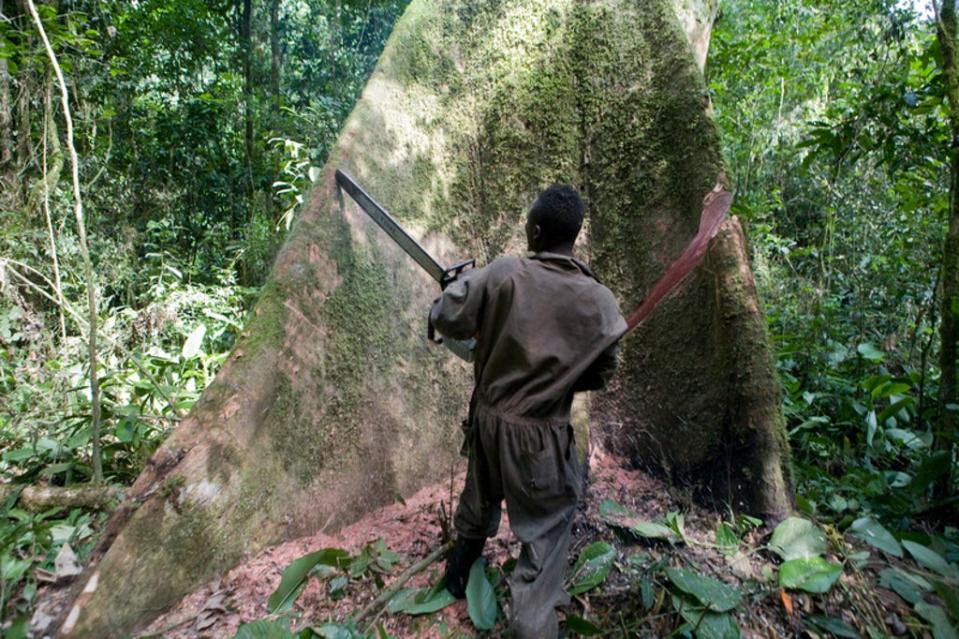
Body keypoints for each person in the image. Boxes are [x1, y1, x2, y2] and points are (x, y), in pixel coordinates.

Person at [429, 184, 626, 638]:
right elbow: (603, 371)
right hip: (540, 437)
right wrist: (556, 379)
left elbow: (446, 315)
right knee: (547, 533)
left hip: (489, 421)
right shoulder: (598, 301)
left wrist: (460, 293)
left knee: (479, 498)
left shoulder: (504, 275)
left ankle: (459, 573)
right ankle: (528, 624)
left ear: (535, 230)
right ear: (573, 238)